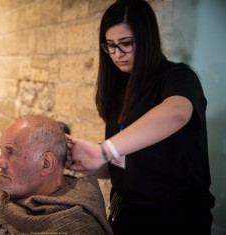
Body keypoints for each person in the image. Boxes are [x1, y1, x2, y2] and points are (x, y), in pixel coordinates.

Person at [65, 1, 215, 235]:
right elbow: (120, 167)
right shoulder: (119, 90)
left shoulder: (177, 77)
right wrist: (87, 162)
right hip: (125, 216)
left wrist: (104, 150)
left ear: (146, 40)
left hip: (175, 220)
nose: (117, 54)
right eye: (110, 46)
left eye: (125, 44)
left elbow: (177, 113)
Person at [0, 115, 112, 235]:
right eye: (1, 150)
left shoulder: (77, 225)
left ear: (46, 164)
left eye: (11, 152)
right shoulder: (4, 199)